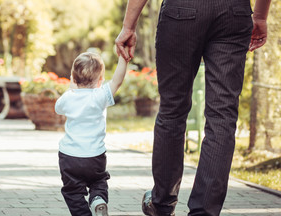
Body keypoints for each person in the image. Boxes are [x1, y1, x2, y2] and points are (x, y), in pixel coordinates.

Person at [115, 0, 271, 215]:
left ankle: (161, 204)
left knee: (172, 110)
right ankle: (204, 211)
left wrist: (128, 27)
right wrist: (261, 16)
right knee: (222, 116)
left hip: (182, 11)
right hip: (233, 12)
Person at [55, 51, 129, 216]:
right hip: (95, 156)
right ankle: (98, 199)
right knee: (98, 181)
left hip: (70, 156)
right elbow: (117, 81)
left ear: (73, 78)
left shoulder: (68, 97)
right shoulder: (100, 95)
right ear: (100, 80)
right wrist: (123, 59)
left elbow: (58, 108)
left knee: (72, 192)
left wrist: (70, 88)